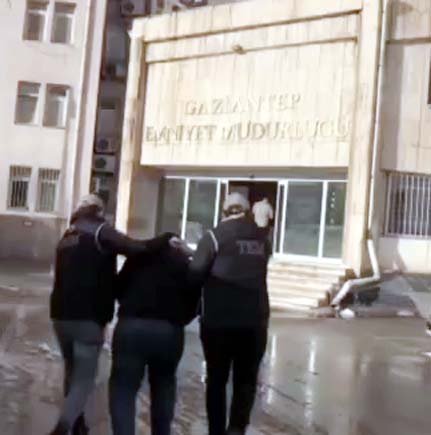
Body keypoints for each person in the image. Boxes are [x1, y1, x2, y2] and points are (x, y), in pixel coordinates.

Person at [49, 194, 174, 435]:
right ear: (99, 211)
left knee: (71, 372)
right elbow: (136, 248)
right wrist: (165, 239)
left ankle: (77, 424)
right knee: (84, 379)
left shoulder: (67, 236)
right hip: (87, 316)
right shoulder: (99, 230)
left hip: (60, 316)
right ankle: (62, 428)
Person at [189, 192, 271, 435]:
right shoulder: (262, 239)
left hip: (218, 323)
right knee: (246, 381)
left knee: (216, 380)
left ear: (224, 212)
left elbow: (194, 276)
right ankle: (236, 429)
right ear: (246, 212)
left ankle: (216, 431)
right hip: (254, 323)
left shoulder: (214, 237)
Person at [109, 237, 199, 435]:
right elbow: (195, 300)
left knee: (123, 389)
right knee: (164, 386)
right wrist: (179, 319)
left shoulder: (137, 257)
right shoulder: (183, 263)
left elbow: (117, 289)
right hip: (169, 332)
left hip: (131, 327)